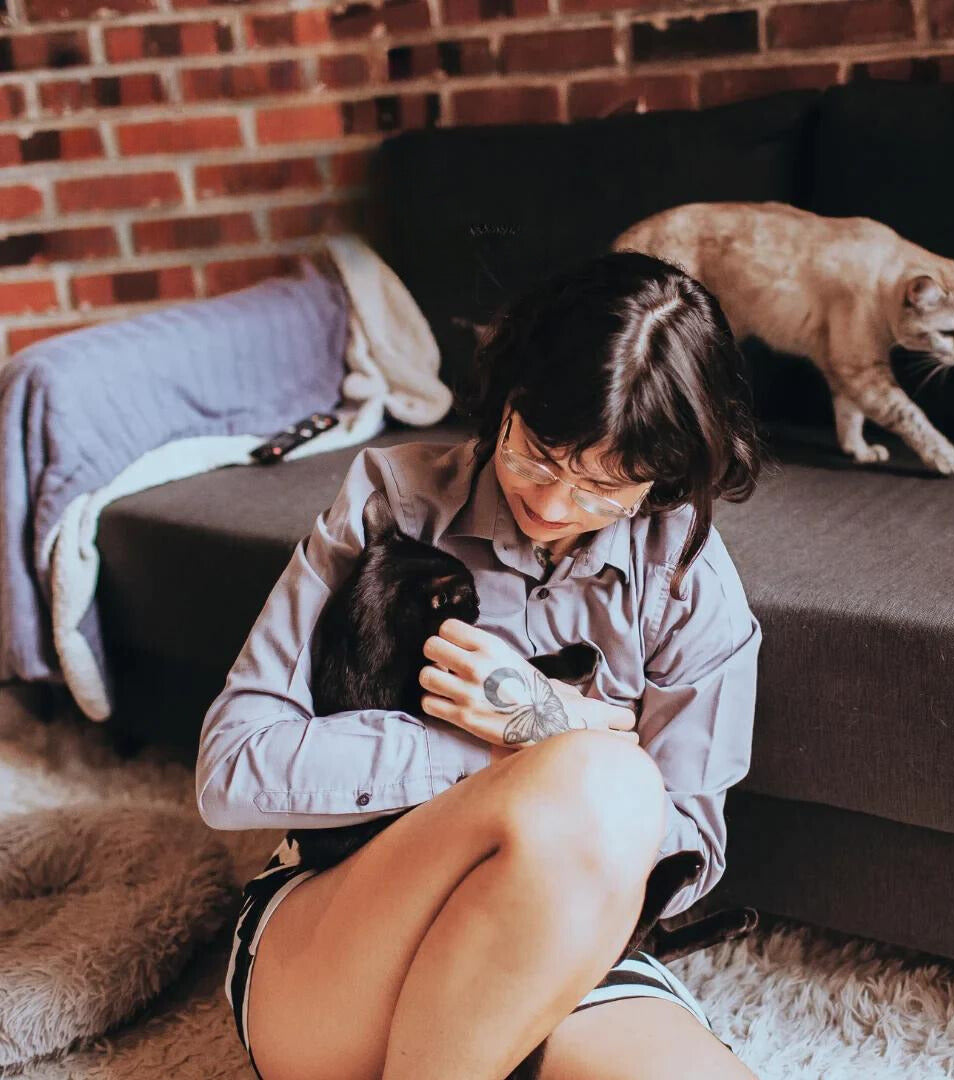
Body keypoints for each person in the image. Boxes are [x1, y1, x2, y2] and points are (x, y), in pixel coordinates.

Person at [196, 249, 764, 1080]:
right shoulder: (393, 501)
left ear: (664, 482)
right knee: (608, 778)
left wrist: (552, 735)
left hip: (555, 959)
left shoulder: (686, 577)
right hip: (345, 933)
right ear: (509, 397)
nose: (553, 503)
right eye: (537, 452)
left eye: (603, 488)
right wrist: (514, 748)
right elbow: (231, 769)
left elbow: (690, 845)